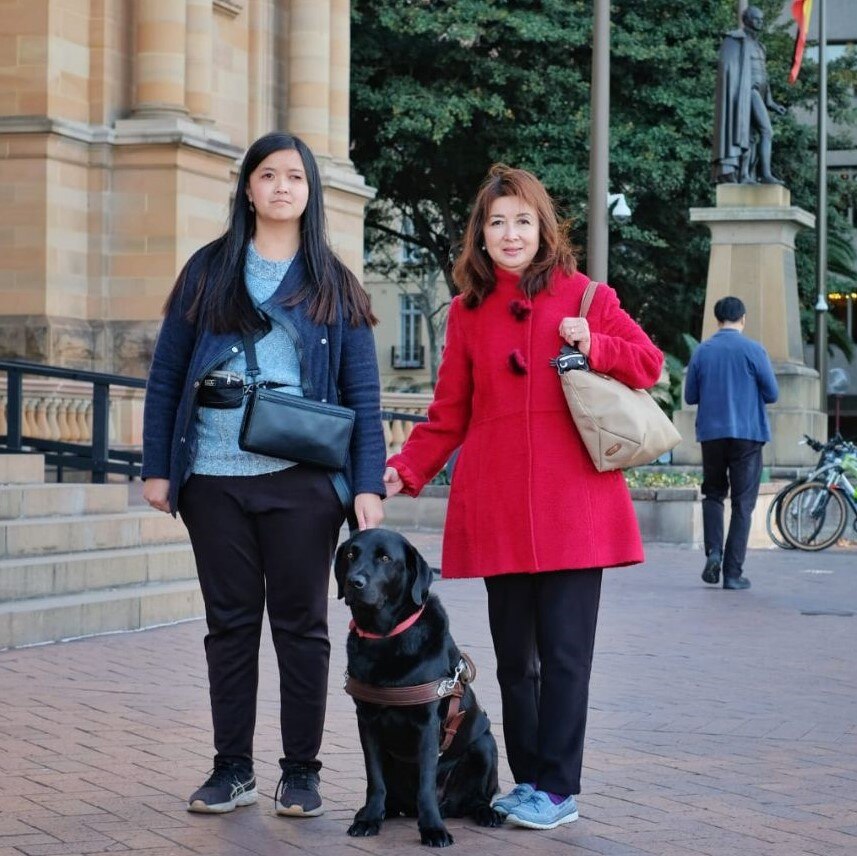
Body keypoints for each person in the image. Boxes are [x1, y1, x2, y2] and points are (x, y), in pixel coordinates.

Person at [383, 165, 663, 831]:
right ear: (480, 235)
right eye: (496, 222)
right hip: (500, 508)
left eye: (522, 221)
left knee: (565, 658)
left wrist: (592, 342)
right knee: (515, 663)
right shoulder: (467, 314)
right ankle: (530, 779)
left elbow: (647, 363)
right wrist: (404, 470)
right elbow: (447, 413)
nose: (509, 234)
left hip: (576, 508)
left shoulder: (583, 295)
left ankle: (558, 788)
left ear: (544, 229)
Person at [141, 131, 386, 818]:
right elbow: (167, 378)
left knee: (302, 627)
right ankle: (231, 769)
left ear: (310, 194)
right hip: (213, 479)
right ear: (246, 187)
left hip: (303, 481)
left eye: (295, 178)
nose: (282, 187)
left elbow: (362, 397)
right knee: (229, 625)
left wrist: (366, 484)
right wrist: (158, 467)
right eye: (268, 175)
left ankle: (300, 772)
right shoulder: (208, 270)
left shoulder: (333, 282)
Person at [684, 296, 778, 590]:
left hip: (711, 434)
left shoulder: (703, 351)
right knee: (742, 504)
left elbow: (690, 397)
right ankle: (733, 574)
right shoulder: (753, 349)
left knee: (712, 494)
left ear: (717, 319)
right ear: (743, 318)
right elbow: (772, 393)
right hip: (748, 434)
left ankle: (713, 551)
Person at [712, 5, 786, 185]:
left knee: (750, 135)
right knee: (766, 131)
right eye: (756, 19)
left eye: (762, 19)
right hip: (745, 93)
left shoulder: (760, 46)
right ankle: (764, 174)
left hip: (758, 94)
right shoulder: (735, 40)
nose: (760, 22)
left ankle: (747, 175)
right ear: (746, 20)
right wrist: (739, 93)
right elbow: (727, 69)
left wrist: (771, 102)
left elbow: (763, 76)